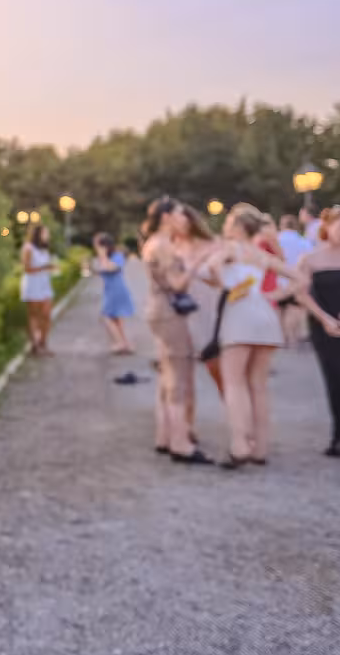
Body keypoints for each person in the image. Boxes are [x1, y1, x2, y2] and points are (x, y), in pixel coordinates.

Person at [202, 204, 304, 468]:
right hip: (265, 315)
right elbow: (300, 279)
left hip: (240, 314)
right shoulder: (262, 255)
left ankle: (239, 445)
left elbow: (211, 267)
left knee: (234, 382)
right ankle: (260, 447)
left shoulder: (230, 249)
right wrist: (274, 296)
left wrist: (225, 284)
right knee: (259, 385)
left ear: (237, 226)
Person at [142, 197, 219, 463]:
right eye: (178, 214)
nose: (184, 218)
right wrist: (197, 264)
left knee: (167, 374)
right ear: (166, 217)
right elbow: (177, 284)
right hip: (169, 313)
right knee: (178, 375)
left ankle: (165, 436)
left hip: (158, 311)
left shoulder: (153, 243)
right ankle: (180, 443)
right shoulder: (163, 246)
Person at [295, 206, 340, 457]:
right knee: (333, 380)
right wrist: (324, 319)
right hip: (324, 326)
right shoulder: (311, 259)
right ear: (328, 227)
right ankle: (338, 432)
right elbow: (300, 293)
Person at [92, 232, 135, 354]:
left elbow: (110, 268)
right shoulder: (102, 258)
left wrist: (103, 256)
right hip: (109, 290)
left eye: (97, 245)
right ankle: (126, 344)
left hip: (117, 290)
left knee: (106, 317)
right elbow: (99, 271)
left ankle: (120, 343)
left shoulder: (117, 256)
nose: (95, 248)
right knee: (116, 318)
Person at [275, 215, 314, 343]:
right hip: (296, 280)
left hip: (278, 279)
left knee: (280, 310)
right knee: (294, 309)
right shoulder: (303, 241)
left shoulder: (276, 239)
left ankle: (281, 336)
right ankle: (292, 337)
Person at [20, 223, 57, 356]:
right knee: (34, 315)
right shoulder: (28, 248)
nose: (47, 236)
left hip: (44, 284)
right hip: (33, 284)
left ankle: (43, 342)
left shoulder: (44, 249)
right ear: (38, 234)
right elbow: (27, 269)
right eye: (45, 233)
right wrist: (45, 268)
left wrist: (51, 268)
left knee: (47, 315)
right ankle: (34, 345)